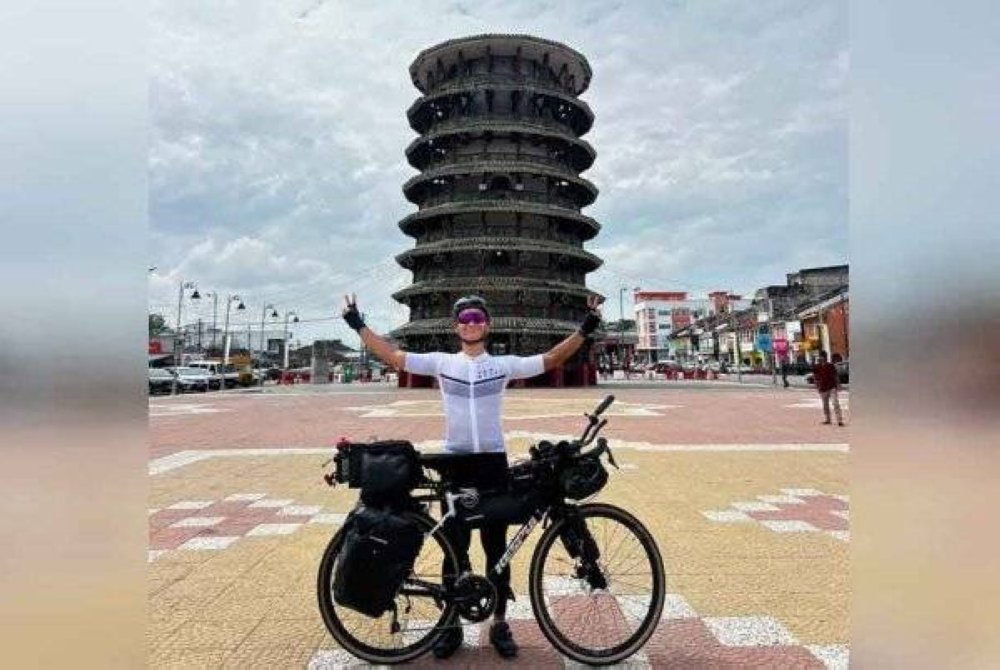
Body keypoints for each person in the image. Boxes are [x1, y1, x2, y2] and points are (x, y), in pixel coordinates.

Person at [341, 292, 603, 659]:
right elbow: (395, 356)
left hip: (492, 464)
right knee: (455, 549)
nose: (471, 324)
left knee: (497, 550)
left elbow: (550, 359)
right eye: (465, 319)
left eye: (477, 318)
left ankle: (499, 622)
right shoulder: (443, 363)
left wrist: (587, 326)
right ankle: (451, 625)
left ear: (487, 325)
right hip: (457, 464)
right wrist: (357, 323)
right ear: (456, 327)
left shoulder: (502, 365)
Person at [812, 351, 844, 426]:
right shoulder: (816, 366)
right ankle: (828, 419)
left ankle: (839, 420)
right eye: (820, 357)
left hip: (832, 387)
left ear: (825, 357)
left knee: (835, 403)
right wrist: (817, 386)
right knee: (825, 405)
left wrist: (838, 385)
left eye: (823, 357)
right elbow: (815, 377)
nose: (821, 358)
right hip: (823, 387)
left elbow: (835, 375)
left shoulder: (830, 365)